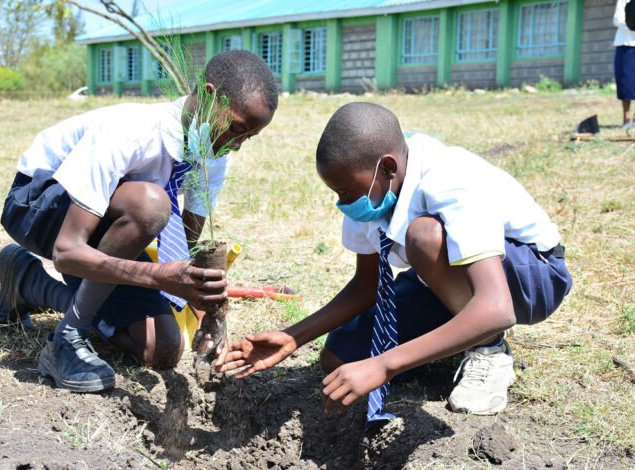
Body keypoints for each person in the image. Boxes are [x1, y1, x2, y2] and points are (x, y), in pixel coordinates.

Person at [218, 103, 572, 420]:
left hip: (528, 277)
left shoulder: (450, 180)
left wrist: (384, 365)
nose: (343, 204)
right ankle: (454, 336)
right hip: (441, 279)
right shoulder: (368, 186)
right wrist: (292, 337)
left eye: (346, 193)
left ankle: (488, 348)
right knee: (340, 359)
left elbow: (497, 308)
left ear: (387, 167)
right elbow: (366, 284)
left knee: (424, 237)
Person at [0, 50, 277, 393]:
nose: (237, 145)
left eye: (248, 137)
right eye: (236, 129)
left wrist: (210, 318)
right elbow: (68, 252)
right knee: (152, 205)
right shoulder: (131, 132)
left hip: (107, 227)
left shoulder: (213, 149)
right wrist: (160, 276)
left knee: (162, 347)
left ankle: (27, 283)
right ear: (207, 95)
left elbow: (191, 245)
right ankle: (66, 340)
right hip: (39, 204)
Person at [614, 0, 635, 129]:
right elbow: (617, 19)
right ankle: (626, 119)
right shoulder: (624, 0)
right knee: (626, 83)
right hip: (626, 45)